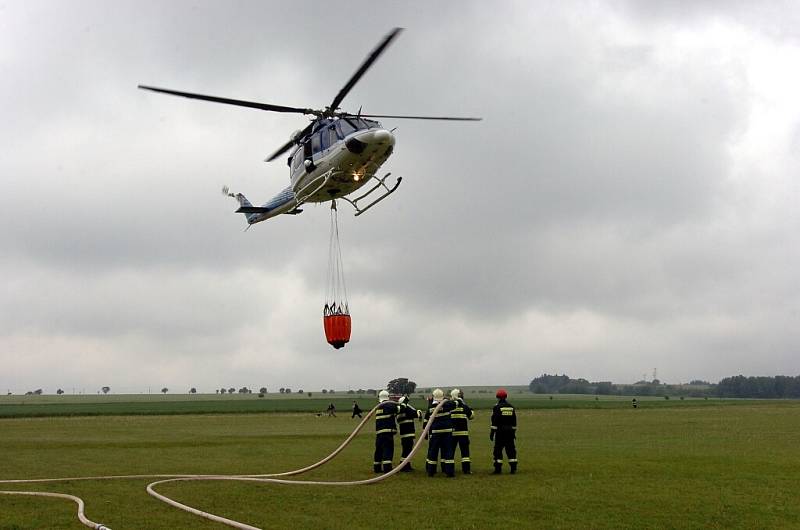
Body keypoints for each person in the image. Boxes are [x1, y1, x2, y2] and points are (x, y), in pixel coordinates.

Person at [423, 388, 456, 477]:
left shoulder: (430, 408)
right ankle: (449, 471)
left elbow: (426, 420)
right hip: (447, 432)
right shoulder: (447, 405)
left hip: (435, 433)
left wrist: (425, 433)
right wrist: (447, 399)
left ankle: (431, 471)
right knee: (448, 451)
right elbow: (455, 404)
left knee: (433, 452)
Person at [373, 390, 402, 473]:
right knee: (387, 450)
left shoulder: (378, 407)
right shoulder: (389, 405)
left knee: (378, 450)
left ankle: (377, 468)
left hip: (379, 433)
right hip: (387, 432)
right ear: (387, 397)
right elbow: (399, 409)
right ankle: (387, 468)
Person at [490, 388, 517, 474]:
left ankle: (498, 469)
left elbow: (494, 420)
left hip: (500, 432)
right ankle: (513, 468)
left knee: (498, 450)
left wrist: (492, 432)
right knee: (511, 449)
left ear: (497, 397)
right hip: (509, 432)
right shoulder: (511, 407)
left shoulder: (497, 407)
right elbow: (514, 421)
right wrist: (513, 432)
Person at [450, 388, 475, 474]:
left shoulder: (449, 407)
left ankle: (449, 469)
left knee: (451, 452)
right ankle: (466, 470)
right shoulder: (464, 406)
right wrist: (471, 409)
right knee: (465, 453)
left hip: (452, 433)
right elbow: (471, 416)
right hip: (463, 433)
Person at [396, 395, 423, 472]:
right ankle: (404, 466)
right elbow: (416, 414)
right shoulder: (406, 409)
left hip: (404, 434)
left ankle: (405, 465)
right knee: (407, 450)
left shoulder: (400, 412)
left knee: (406, 450)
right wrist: (418, 411)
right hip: (408, 433)